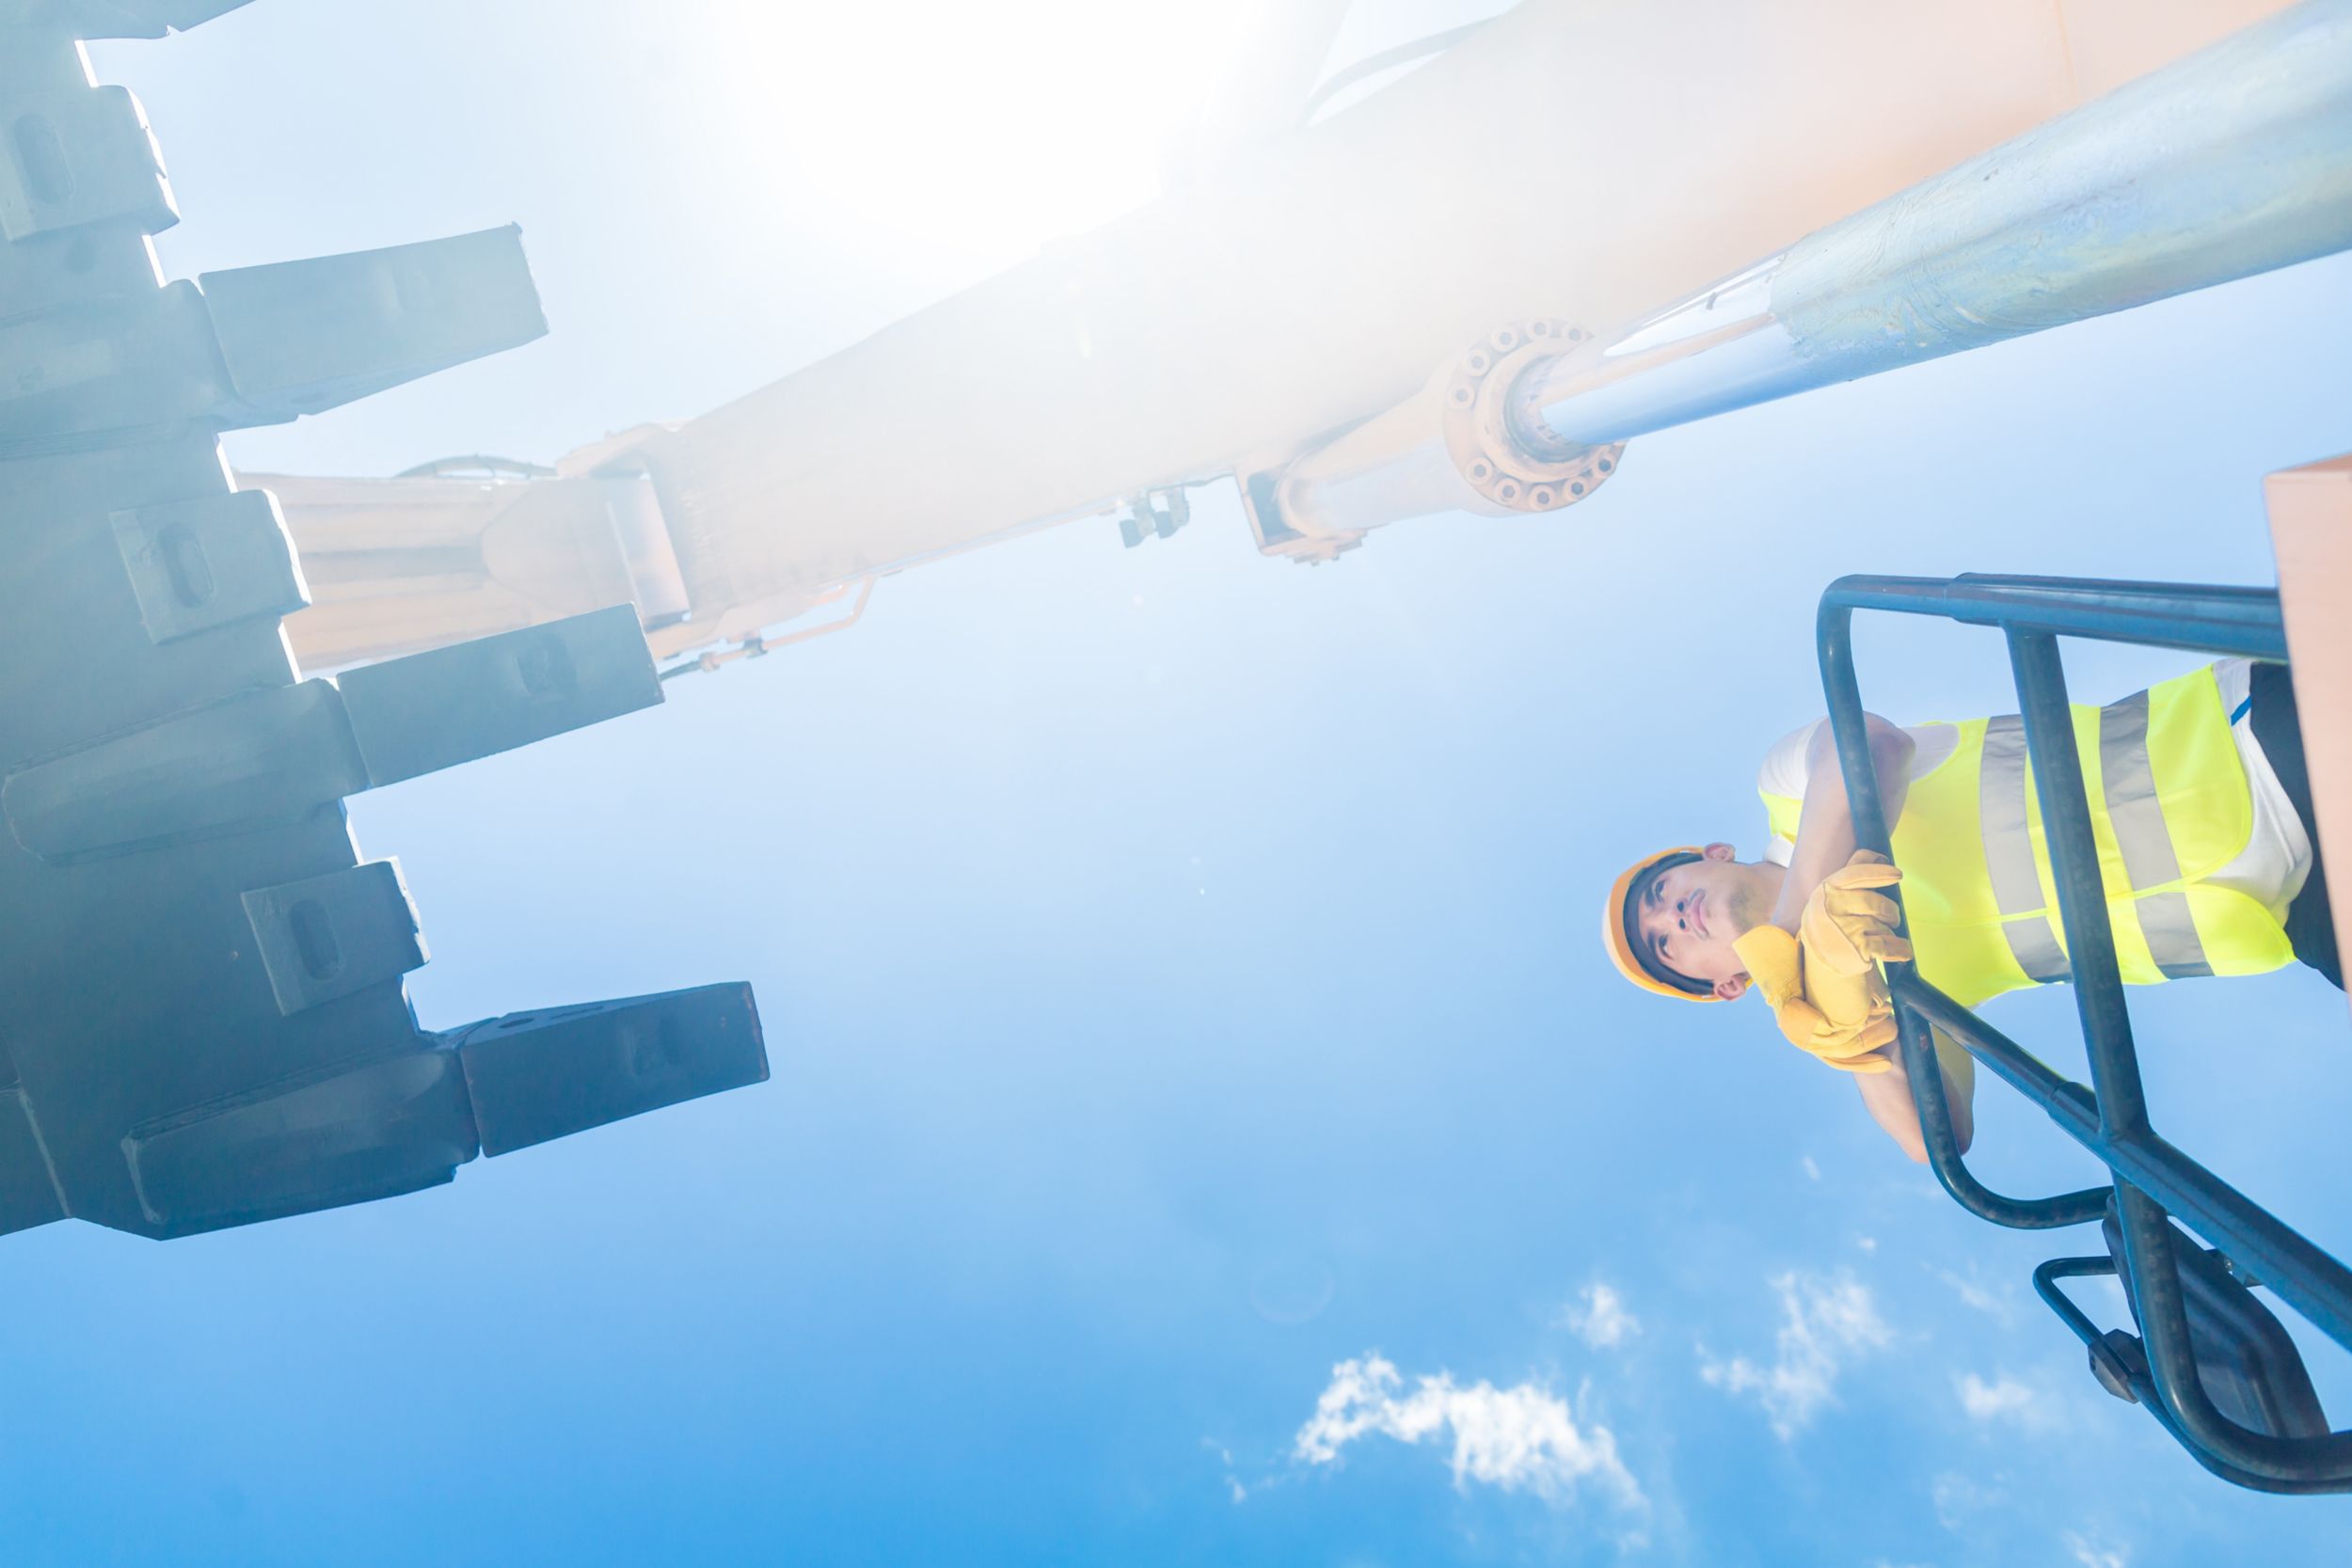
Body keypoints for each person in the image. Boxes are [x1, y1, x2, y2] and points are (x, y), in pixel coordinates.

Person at [1601, 658, 2340, 1162]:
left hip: (2250, 740)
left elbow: (1874, 748)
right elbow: (1940, 1138)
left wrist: (1794, 937)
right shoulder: (1852, 996)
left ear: (1714, 852)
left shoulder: (1785, 784)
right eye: (1666, 945)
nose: (1673, 918)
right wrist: (1839, 1036)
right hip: (2296, 913)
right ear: (1726, 985)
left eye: (1658, 895)